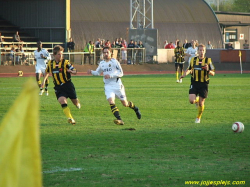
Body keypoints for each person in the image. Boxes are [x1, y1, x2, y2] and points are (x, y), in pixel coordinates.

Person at [87, 46, 141, 125]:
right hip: (108, 86)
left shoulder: (114, 62)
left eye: (107, 52)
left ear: (110, 53)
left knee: (125, 104)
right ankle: (119, 119)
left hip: (117, 85)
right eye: (104, 52)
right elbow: (97, 73)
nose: (105, 54)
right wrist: (91, 71)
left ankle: (135, 108)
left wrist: (111, 75)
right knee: (111, 101)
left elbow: (121, 73)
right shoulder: (102, 63)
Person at [42, 45, 81, 125]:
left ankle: (77, 103)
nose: (61, 56)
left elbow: (75, 71)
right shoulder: (50, 63)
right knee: (62, 101)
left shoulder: (65, 62)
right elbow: (47, 72)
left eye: (62, 54)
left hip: (68, 85)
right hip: (58, 87)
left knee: (75, 103)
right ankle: (70, 118)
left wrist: (71, 71)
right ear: (54, 55)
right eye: (59, 54)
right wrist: (43, 81)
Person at [180, 44, 215, 123]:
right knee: (191, 101)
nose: (201, 52)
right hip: (195, 82)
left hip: (204, 84)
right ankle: (197, 100)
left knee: (201, 103)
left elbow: (213, 73)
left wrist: (208, 70)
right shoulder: (193, 60)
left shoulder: (208, 60)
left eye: (203, 50)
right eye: (200, 50)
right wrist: (184, 75)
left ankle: (198, 118)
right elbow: (189, 69)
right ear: (197, 51)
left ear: (205, 51)